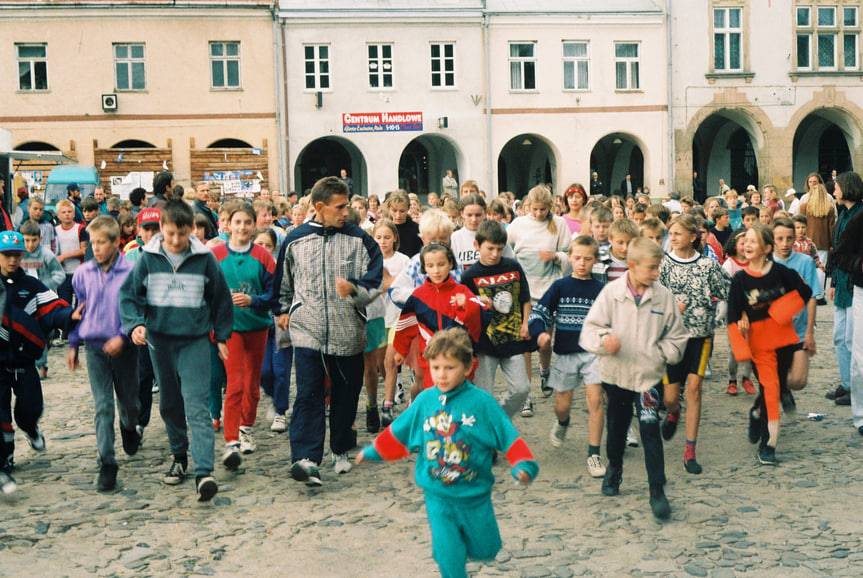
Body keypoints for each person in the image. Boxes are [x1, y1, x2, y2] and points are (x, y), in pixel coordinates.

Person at [356, 327, 539, 578]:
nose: (441, 375)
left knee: (487, 548)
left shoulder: (482, 403)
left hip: (474, 495)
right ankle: (449, 557)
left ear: (467, 367)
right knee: (448, 556)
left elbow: (508, 437)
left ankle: (468, 544)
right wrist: (373, 451)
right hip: (437, 494)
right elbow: (401, 430)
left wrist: (523, 465)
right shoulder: (425, 400)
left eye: (449, 368)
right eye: (436, 367)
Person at [120, 200, 233, 501]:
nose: (175, 241)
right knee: (170, 403)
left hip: (195, 340)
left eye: (181, 234)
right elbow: (130, 296)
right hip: (160, 341)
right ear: (161, 230)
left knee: (196, 404)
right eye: (170, 234)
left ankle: (204, 472)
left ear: (192, 230)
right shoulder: (147, 258)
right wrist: (135, 325)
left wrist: (221, 336)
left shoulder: (205, 258)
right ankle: (179, 456)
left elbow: (221, 299)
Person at [274, 176, 383, 485]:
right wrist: (282, 311)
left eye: (347, 205)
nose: (345, 212)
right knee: (308, 392)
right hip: (307, 329)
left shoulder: (361, 240)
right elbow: (282, 282)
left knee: (346, 394)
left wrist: (354, 289)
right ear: (319, 207)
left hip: (348, 332)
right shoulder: (295, 239)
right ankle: (305, 458)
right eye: (340, 206)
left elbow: (374, 284)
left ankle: (340, 446)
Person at [581, 237, 689, 520]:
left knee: (650, 429)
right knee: (616, 428)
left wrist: (662, 352)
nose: (656, 274)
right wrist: (605, 341)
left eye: (658, 268)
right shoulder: (611, 293)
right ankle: (614, 469)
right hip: (615, 374)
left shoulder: (663, 296)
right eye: (652, 268)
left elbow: (678, 336)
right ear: (632, 266)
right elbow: (590, 329)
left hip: (647, 375)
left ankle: (657, 490)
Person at [0, 231, 77, 495]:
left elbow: (52, 308)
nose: (11, 260)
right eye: (6, 255)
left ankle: (31, 428)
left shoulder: (30, 286)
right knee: (0, 415)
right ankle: (4, 460)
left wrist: (70, 316)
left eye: (15, 255)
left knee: (30, 408)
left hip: (24, 360)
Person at [67, 216, 140, 492]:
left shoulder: (130, 272)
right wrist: (74, 342)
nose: (95, 248)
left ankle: (130, 426)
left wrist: (123, 336)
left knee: (129, 402)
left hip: (124, 348)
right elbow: (81, 310)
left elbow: (136, 309)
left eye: (101, 243)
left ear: (114, 243)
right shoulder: (82, 274)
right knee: (102, 406)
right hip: (95, 349)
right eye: (93, 243)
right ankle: (107, 463)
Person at [727, 226, 812, 464]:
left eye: (753, 241)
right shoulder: (739, 280)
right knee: (771, 389)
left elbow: (805, 291)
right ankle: (769, 444)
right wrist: (741, 349)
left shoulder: (781, 272)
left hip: (784, 340)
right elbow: (732, 316)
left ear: (767, 248)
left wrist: (781, 311)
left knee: (772, 389)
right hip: (758, 343)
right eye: (745, 241)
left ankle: (756, 413)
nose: (747, 244)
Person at [529, 235, 606, 477]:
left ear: (595, 261)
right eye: (577, 258)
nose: (582, 263)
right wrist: (540, 333)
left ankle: (594, 454)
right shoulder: (560, 286)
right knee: (562, 405)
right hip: (565, 354)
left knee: (596, 401)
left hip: (593, 354)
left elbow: (613, 319)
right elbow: (538, 313)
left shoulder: (601, 290)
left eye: (587, 259)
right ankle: (563, 422)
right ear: (569, 258)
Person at [658, 215, 730, 474]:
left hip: (701, 335)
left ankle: (690, 450)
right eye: (671, 233)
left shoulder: (707, 265)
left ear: (692, 236)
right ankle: (674, 412)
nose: (674, 238)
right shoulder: (664, 264)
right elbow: (654, 296)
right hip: (672, 337)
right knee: (669, 398)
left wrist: (722, 304)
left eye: (678, 233)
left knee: (695, 388)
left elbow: (725, 288)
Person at [212, 204, 276, 472]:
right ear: (228, 225)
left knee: (252, 382)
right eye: (237, 222)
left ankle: (246, 427)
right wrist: (214, 331)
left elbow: (274, 294)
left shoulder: (263, 257)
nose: (242, 227)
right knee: (235, 383)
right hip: (230, 330)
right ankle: (231, 441)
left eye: (247, 222)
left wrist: (253, 300)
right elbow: (207, 294)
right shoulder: (214, 256)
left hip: (258, 326)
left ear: (254, 225)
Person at [506, 185, 571, 415]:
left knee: (544, 339)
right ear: (527, 207)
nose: (539, 214)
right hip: (525, 290)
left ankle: (545, 371)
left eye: (543, 210)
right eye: (535, 209)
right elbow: (508, 249)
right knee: (525, 340)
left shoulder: (559, 224)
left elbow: (568, 253)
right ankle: (526, 395)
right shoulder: (518, 224)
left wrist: (555, 256)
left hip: (549, 288)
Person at [461, 220, 534, 419]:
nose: (495, 254)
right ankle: (486, 436)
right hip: (485, 342)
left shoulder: (513, 267)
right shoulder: (469, 276)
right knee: (483, 394)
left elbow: (525, 298)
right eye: (490, 248)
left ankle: (498, 418)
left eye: (499, 249)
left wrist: (526, 323)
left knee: (522, 388)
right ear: (477, 245)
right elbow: (465, 312)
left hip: (513, 337)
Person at [393, 243, 483, 392]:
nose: (436, 270)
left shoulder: (462, 291)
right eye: (430, 265)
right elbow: (406, 323)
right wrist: (401, 350)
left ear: (450, 264)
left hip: (459, 358)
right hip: (431, 359)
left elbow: (481, 316)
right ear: (424, 268)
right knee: (435, 396)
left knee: (460, 397)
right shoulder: (418, 296)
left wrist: (467, 304)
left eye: (441, 264)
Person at [826, 171, 863, 433]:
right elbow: (839, 251)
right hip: (850, 283)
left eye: (837, 186)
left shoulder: (855, 214)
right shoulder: (848, 216)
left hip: (854, 283)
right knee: (846, 340)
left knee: (852, 340)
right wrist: (835, 280)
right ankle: (851, 392)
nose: (834, 190)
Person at [772, 218, 819, 412]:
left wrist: (809, 333)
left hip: (798, 331)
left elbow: (812, 297)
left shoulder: (805, 262)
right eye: (780, 238)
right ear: (772, 239)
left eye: (789, 238)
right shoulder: (765, 262)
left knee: (799, 381)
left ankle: (783, 386)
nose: (785, 244)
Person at [123, 207, 162, 443]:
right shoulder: (130, 256)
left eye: (155, 228)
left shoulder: (172, 253)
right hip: (143, 327)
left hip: (167, 327)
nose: (151, 233)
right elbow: (125, 294)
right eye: (147, 229)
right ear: (139, 231)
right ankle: (140, 421)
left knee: (171, 379)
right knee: (143, 376)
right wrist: (133, 323)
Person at [20, 220, 65, 380]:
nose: (30, 244)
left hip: (44, 301)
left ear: (40, 238)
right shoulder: (18, 255)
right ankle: (35, 364)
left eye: (34, 240)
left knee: (43, 333)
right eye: (26, 240)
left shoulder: (47, 255)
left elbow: (60, 274)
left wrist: (45, 287)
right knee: (28, 332)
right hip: (25, 300)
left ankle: (42, 363)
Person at [721, 229, 756, 396]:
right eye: (742, 243)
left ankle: (746, 378)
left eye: (749, 242)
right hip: (734, 311)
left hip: (752, 312)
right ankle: (732, 379)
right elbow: (724, 290)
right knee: (735, 348)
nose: (746, 246)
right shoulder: (729, 265)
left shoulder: (755, 263)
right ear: (735, 245)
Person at [54, 199, 89, 307]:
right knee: (64, 304)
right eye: (63, 212)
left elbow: (84, 250)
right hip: (63, 274)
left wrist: (64, 256)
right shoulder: (55, 230)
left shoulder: (81, 229)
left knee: (81, 304)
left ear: (74, 214)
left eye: (69, 212)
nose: (67, 215)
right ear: (58, 215)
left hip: (79, 272)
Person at [387, 190, 422, 258]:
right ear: (389, 208)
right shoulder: (384, 229)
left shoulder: (417, 229)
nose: (398, 215)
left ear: (408, 208)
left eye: (402, 211)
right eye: (394, 211)